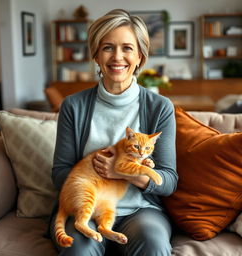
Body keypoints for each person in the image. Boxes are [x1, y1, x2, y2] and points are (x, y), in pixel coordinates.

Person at [50, 9, 178, 256]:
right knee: (78, 250)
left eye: (127, 48)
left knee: (153, 245)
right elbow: (59, 174)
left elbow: (168, 181)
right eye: (107, 47)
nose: (117, 57)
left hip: (140, 211)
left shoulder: (160, 107)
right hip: (86, 206)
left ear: (140, 56)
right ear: (96, 55)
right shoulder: (73, 106)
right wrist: (93, 174)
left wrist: (122, 172)